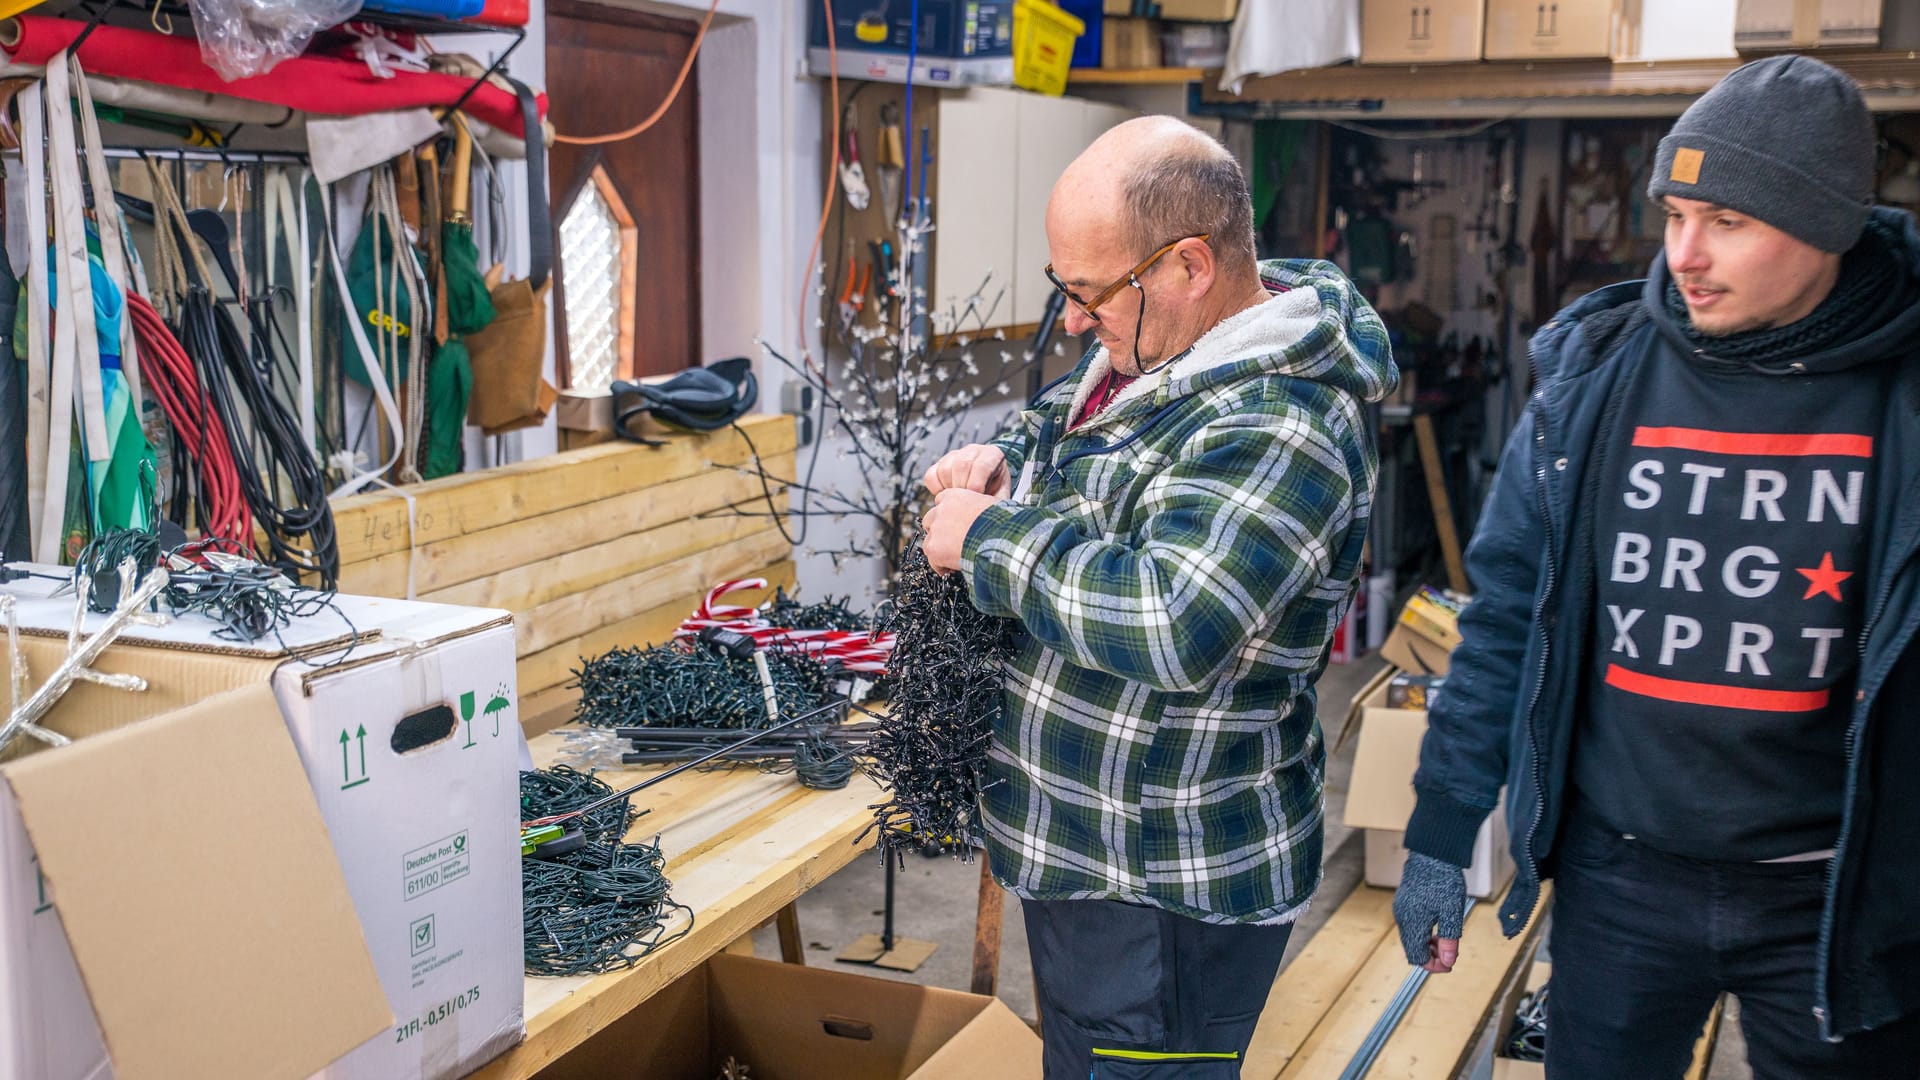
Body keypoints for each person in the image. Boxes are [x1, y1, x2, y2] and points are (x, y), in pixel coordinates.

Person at [1391, 55, 1920, 1077]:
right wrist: (1440, 832)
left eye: (1727, 221)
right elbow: (1505, 619)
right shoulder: (1599, 379)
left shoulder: (1901, 396)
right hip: (1620, 879)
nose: (1685, 253)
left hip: (1836, 897)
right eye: (1675, 214)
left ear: (1825, 224)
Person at [918, 116, 1396, 1079]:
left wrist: (987, 538)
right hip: (1088, 859)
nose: (1076, 322)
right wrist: (1003, 462)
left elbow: (1172, 620)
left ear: (1187, 265)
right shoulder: (1154, 351)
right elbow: (1068, 419)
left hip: (1164, 885)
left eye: (1089, 294)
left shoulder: (1280, 419)